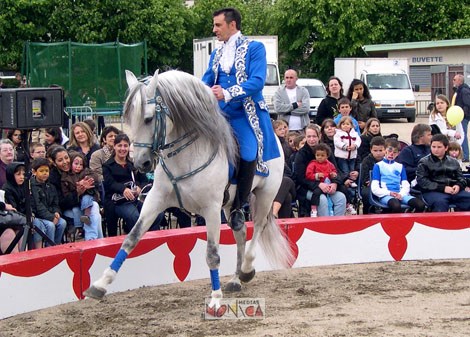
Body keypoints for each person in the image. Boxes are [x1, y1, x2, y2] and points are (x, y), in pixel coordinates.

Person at [201, 7, 280, 231]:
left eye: (218, 25)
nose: (214, 29)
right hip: (218, 113)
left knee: (247, 152)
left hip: (244, 113)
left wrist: (226, 93)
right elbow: (206, 80)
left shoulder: (255, 48)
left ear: (232, 25)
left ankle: (237, 207)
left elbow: (256, 82)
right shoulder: (216, 54)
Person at [103, 133, 165, 234]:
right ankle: (136, 240)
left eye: (125, 146)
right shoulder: (107, 166)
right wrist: (123, 189)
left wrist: (139, 187)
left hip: (136, 199)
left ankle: (151, 237)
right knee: (133, 216)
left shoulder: (132, 164)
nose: (122, 149)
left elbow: (144, 180)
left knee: (157, 213)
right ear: (114, 146)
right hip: (118, 202)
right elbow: (109, 183)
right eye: (119, 145)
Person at [47, 145, 103, 241]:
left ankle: (92, 240)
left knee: (94, 207)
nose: (65, 162)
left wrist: (87, 183)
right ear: (55, 163)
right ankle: (96, 241)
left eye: (66, 158)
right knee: (94, 211)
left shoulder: (77, 167)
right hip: (68, 208)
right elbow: (60, 202)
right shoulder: (54, 177)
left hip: (84, 204)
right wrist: (77, 192)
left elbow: (95, 178)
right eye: (60, 160)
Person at [294, 124, 346, 217]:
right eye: (308, 136)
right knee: (322, 200)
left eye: (314, 136)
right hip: (307, 188)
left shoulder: (326, 150)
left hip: (328, 185)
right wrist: (318, 184)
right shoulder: (301, 154)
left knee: (341, 198)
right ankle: (325, 225)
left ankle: (338, 225)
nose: (311, 139)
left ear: (319, 136)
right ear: (305, 137)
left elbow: (336, 170)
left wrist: (334, 183)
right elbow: (300, 178)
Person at [3, 162, 57, 248]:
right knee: (37, 225)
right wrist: (29, 215)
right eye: (18, 174)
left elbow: (31, 202)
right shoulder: (7, 189)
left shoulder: (25, 185)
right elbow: (14, 208)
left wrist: (32, 213)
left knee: (50, 225)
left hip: (30, 215)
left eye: (23, 174)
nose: (21, 177)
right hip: (18, 218)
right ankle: (38, 249)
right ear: (11, 175)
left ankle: (50, 248)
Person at [416, 134, 470, 212]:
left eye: (439, 147)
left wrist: (458, 186)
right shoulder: (424, 162)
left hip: (454, 190)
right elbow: (422, 181)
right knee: (440, 203)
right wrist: (443, 188)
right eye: (433, 147)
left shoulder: (454, 162)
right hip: (433, 191)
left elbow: (461, 178)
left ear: (446, 148)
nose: (436, 150)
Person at [371, 138, 425, 213]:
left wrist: (401, 194)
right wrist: (389, 193)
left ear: (398, 153)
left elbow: (405, 184)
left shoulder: (400, 166)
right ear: (384, 150)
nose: (391, 154)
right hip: (385, 195)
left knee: (420, 205)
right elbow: (374, 188)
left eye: (395, 152)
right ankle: (395, 224)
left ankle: (410, 221)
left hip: (400, 194)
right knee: (396, 205)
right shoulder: (378, 166)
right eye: (389, 151)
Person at [29, 158, 66, 245]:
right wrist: (51, 217)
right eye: (41, 171)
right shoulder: (32, 186)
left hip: (50, 213)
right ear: (34, 172)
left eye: (47, 171)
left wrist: (56, 212)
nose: (45, 173)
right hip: (38, 216)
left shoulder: (51, 186)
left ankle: (56, 245)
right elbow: (38, 206)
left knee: (62, 223)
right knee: (50, 225)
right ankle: (49, 247)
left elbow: (55, 203)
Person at [61, 151, 100, 226]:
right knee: (76, 210)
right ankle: (78, 227)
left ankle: (87, 215)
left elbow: (95, 176)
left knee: (86, 199)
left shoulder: (86, 171)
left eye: (81, 164)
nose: (78, 166)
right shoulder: (66, 176)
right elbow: (66, 192)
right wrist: (77, 188)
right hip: (76, 199)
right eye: (76, 164)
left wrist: (86, 180)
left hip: (89, 194)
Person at [360, 136, 386, 214]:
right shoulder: (366, 161)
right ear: (371, 150)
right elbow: (365, 179)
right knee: (365, 194)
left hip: (386, 185)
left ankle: (387, 213)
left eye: (380, 150)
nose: (378, 153)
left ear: (385, 150)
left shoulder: (388, 161)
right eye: (375, 150)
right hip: (370, 185)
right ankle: (366, 213)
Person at [333, 116, 361, 182]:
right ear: (340, 125)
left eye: (347, 124)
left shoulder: (355, 134)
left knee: (352, 170)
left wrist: (355, 145)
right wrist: (344, 146)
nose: (345, 126)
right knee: (345, 170)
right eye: (343, 124)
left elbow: (358, 141)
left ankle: (352, 183)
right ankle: (346, 182)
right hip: (342, 157)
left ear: (351, 125)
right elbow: (337, 142)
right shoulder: (338, 134)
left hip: (352, 156)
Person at [452, 74, 470, 162]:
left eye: (454, 79)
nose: (453, 81)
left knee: (463, 135)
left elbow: (467, 104)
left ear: (460, 81)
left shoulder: (464, 91)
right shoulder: (459, 90)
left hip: (463, 117)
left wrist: (462, 114)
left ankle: (466, 155)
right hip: (458, 116)